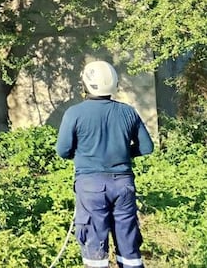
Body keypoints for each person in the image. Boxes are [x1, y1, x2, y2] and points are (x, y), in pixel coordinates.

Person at [56, 60, 154, 268]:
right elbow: (146, 148)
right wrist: (121, 154)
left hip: (90, 186)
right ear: (114, 84)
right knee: (129, 248)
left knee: (95, 251)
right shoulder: (128, 112)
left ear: (85, 85)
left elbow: (63, 151)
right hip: (124, 185)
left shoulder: (74, 113)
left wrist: (85, 155)